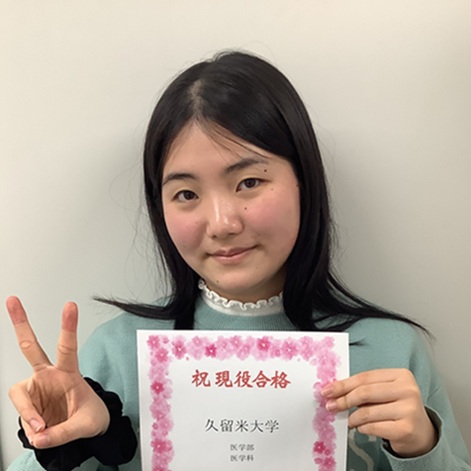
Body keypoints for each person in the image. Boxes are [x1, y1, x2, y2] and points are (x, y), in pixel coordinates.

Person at [6, 50, 470, 471]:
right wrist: (64, 445)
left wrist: (421, 449)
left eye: (249, 182)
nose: (222, 223)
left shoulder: (390, 352)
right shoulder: (118, 353)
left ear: (303, 182)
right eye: (186, 194)